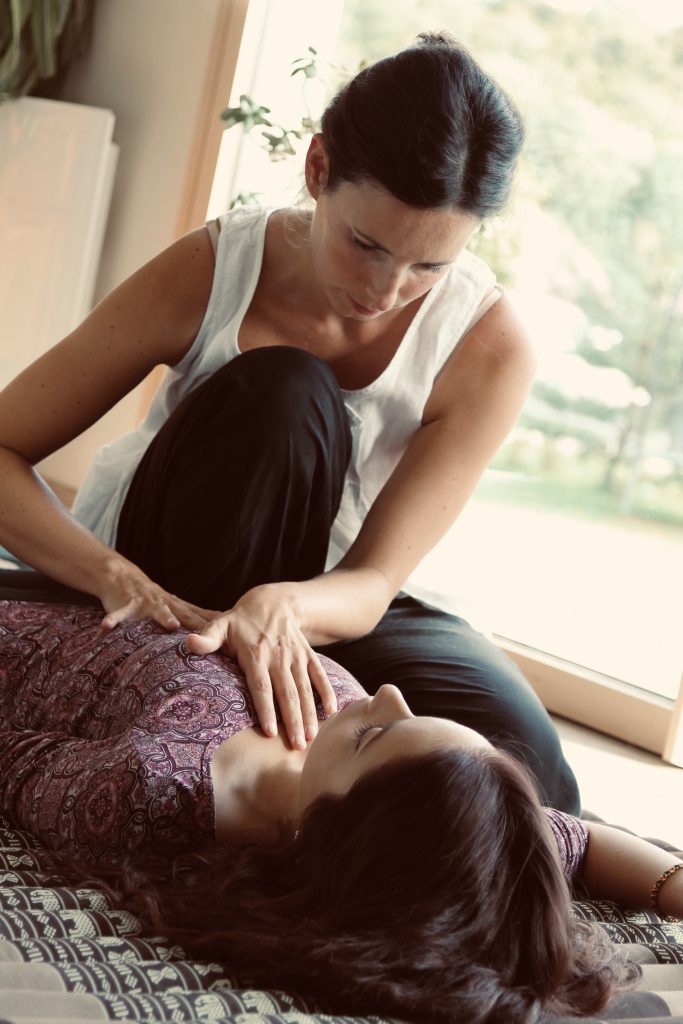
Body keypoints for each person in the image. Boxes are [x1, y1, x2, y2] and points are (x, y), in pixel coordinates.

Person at [0, 32, 578, 812]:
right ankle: (208, 708)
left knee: (524, 770)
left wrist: (286, 606)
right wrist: (111, 577)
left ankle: (258, 703)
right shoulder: (215, 266)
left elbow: (371, 581)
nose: (385, 288)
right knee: (288, 389)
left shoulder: (489, 347)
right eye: (365, 244)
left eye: (427, 267)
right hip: (168, 577)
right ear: (316, 170)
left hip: (327, 598)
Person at [1, 598, 682, 1024]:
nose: (384, 692)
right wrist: (672, 888)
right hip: (169, 590)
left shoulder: (148, 788)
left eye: (373, 736)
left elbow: (10, 753)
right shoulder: (439, 810)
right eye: (414, 715)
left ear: (330, 834)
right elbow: (578, 840)